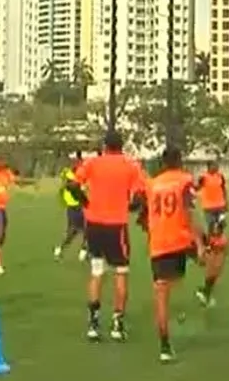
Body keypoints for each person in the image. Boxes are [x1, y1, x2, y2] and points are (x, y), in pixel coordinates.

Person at [75, 131, 146, 342]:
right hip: (117, 226)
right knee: (121, 273)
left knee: (97, 271)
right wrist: (130, 207)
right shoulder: (130, 165)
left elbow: (72, 185)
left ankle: (93, 324)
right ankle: (117, 324)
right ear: (121, 146)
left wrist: (86, 203)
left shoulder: (92, 163)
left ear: (105, 146)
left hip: (94, 225)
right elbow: (140, 195)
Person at [138, 146, 206, 363]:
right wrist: (200, 244)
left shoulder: (152, 184)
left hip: (159, 243)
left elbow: (142, 216)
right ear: (179, 160)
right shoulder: (185, 180)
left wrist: (153, 230)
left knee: (161, 293)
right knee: (219, 250)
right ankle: (205, 290)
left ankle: (165, 346)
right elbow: (189, 211)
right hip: (182, 239)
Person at [194, 160, 228, 307]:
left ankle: (215, 247)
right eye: (214, 165)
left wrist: (226, 202)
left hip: (220, 206)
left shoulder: (220, 176)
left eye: (217, 165)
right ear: (209, 167)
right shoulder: (204, 177)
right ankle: (209, 249)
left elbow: (224, 189)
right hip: (208, 207)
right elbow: (196, 188)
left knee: (220, 229)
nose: (217, 167)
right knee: (211, 229)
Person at [53, 166, 88, 262]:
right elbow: (82, 198)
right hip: (77, 210)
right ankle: (83, 252)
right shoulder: (72, 186)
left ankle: (60, 250)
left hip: (72, 210)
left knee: (75, 232)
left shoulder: (65, 187)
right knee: (83, 231)